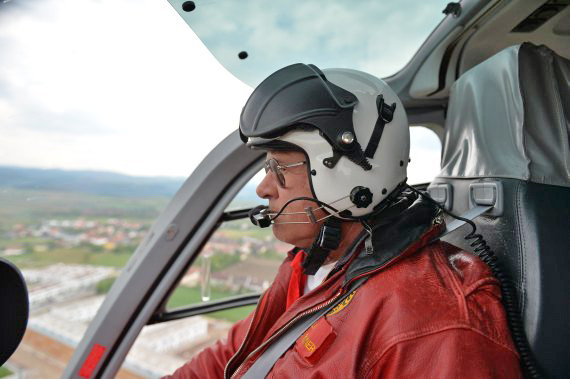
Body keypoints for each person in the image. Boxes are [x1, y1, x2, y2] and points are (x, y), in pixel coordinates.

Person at [165, 64, 522, 378]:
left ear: (351, 176)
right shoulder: (310, 265)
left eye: (280, 167)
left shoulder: (433, 323)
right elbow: (236, 352)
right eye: (266, 167)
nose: (263, 188)